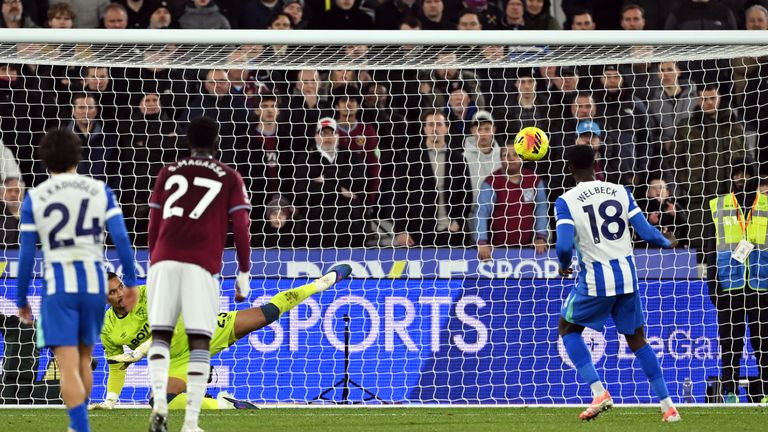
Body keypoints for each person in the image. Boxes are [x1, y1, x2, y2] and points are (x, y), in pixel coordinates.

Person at [14, 128, 138, 432]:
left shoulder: (35, 197)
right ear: (77, 157)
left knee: (67, 363)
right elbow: (122, 239)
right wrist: (132, 282)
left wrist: (21, 298)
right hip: (94, 286)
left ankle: (80, 426)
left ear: (45, 159)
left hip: (59, 287)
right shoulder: (99, 190)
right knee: (84, 359)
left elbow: (27, 255)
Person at [92, 266, 351, 409]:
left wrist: (141, 350)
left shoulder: (146, 293)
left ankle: (319, 284)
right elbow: (117, 367)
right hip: (177, 361)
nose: (120, 294)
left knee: (267, 314)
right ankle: (223, 404)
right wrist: (110, 400)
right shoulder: (108, 328)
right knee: (159, 402)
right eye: (112, 293)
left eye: (120, 287)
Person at [554, 145, 680, 423]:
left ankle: (599, 392)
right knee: (637, 340)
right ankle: (668, 407)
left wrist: (563, 265)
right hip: (627, 278)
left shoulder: (566, 201)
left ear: (570, 168)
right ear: (595, 164)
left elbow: (563, 246)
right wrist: (666, 241)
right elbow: (646, 232)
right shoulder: (621, 191)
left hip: (595, 282)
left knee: (568, 329)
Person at [144, 116, 252, 431]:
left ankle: (159, 407)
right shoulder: (229, 176)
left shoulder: (167, 172)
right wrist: (244, 271)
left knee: (160, 336)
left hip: (163, 261)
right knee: (199, 341)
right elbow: (241, 228)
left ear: (187, 142)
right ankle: (190, 422)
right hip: (201, 265)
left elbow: (153, 224)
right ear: (217, 143)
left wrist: (155, 262)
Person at [706, 162, 768, 404]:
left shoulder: (765, 205)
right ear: (731, 177)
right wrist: (713, 286)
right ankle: (730, 392)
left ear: (754, 177)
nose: (742, 179)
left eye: (747, 174)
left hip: (762, 285)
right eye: (738, 174)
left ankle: (765, 392)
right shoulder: (718, 205)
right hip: (729, 285)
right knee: (730, 343)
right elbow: (710, 249)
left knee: (763, 342)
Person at [477, 143, 548, 259]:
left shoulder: (533, 179)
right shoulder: (491, 182)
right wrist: (482, 242)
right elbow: (481, 213)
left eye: (515, 154)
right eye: (506, 155)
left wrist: (541, 237)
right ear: (500, 159)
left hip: (528, 249)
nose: (511, 158)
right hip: (496, 250)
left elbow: (541, 210)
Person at [0, 176, 23, 247]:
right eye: (9, 190)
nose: (13, 194)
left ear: (22, 193)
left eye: (17, 191)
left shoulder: (30, 214)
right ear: (1, 194)